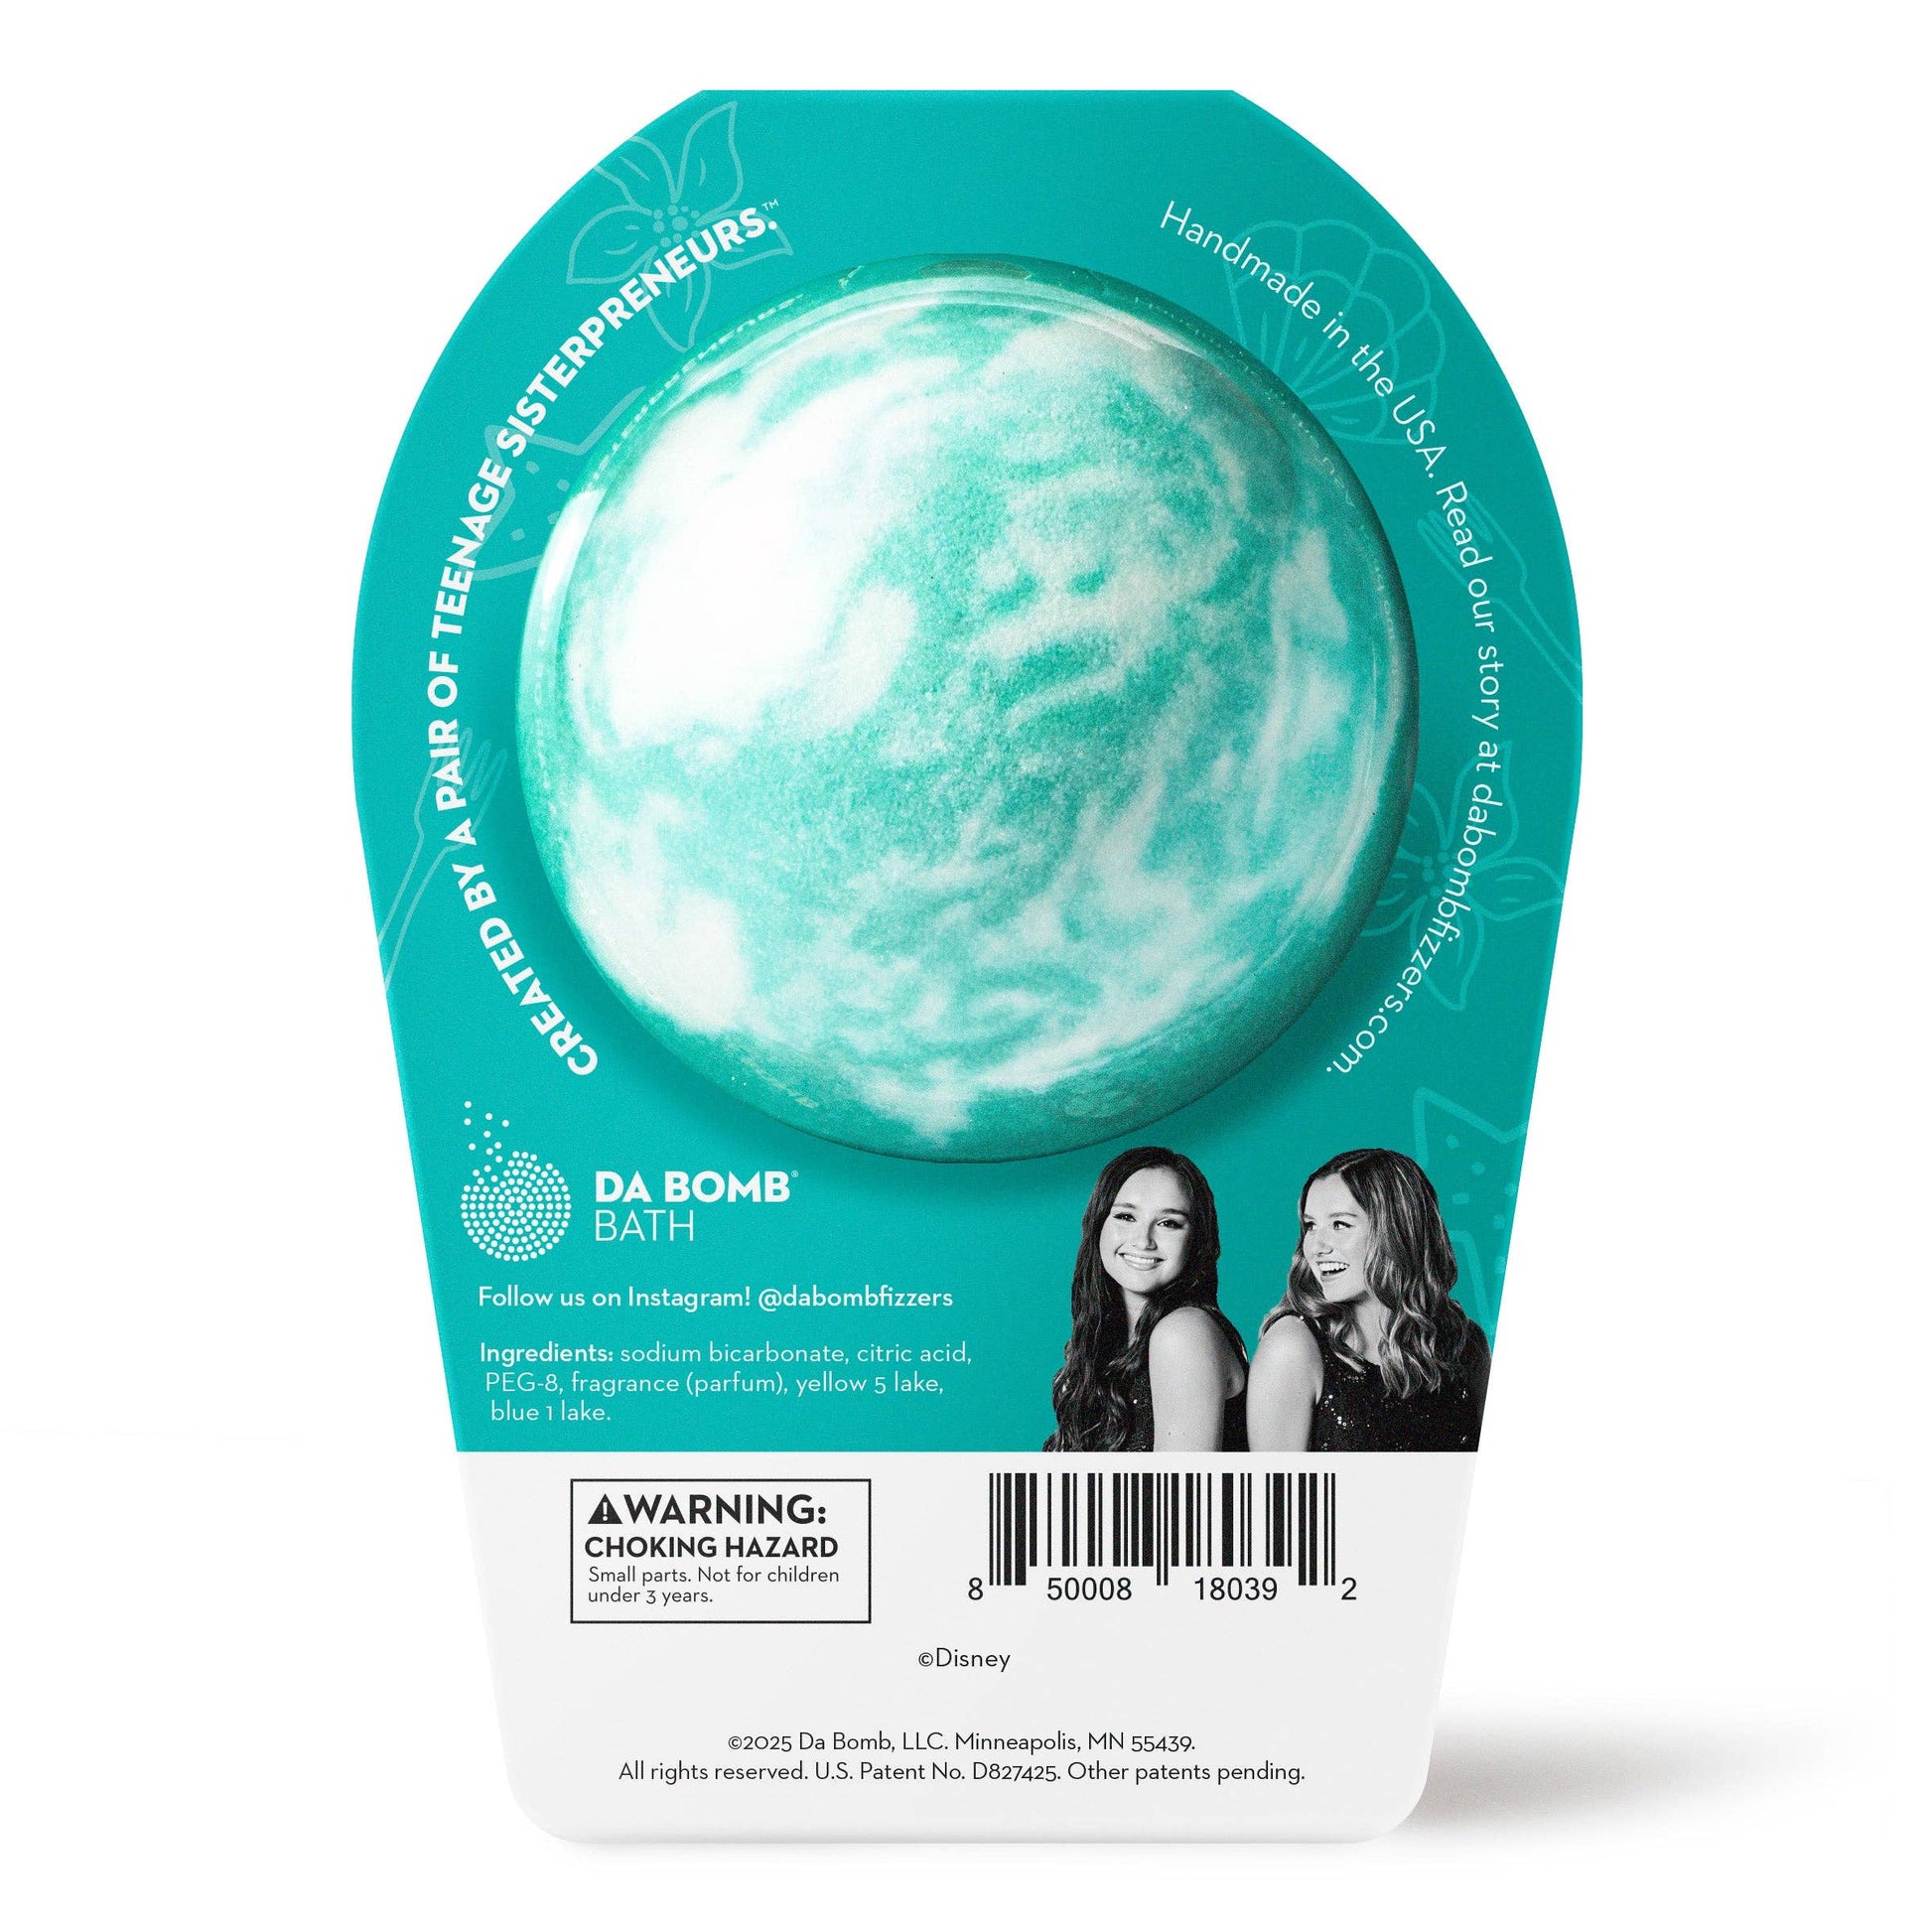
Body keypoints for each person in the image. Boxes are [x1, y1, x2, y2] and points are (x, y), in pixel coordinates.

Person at [1246, 1148, 1489, 1451]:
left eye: (1340, 1224)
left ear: (1397, 1231)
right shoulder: (1292, 1348)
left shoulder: (1466, 1344)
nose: (1316, 1248)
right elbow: (1276, 1483)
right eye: (1310, 1226)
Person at [1044, 1147, 1247, 1451]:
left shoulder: (1183, 1334)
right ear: (1098, 1225)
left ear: (1195, 1239)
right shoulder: (1108, 1342)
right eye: (1126, 1216)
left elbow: (1184, 1484)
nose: (1143, 1241)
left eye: (1169, 1223)